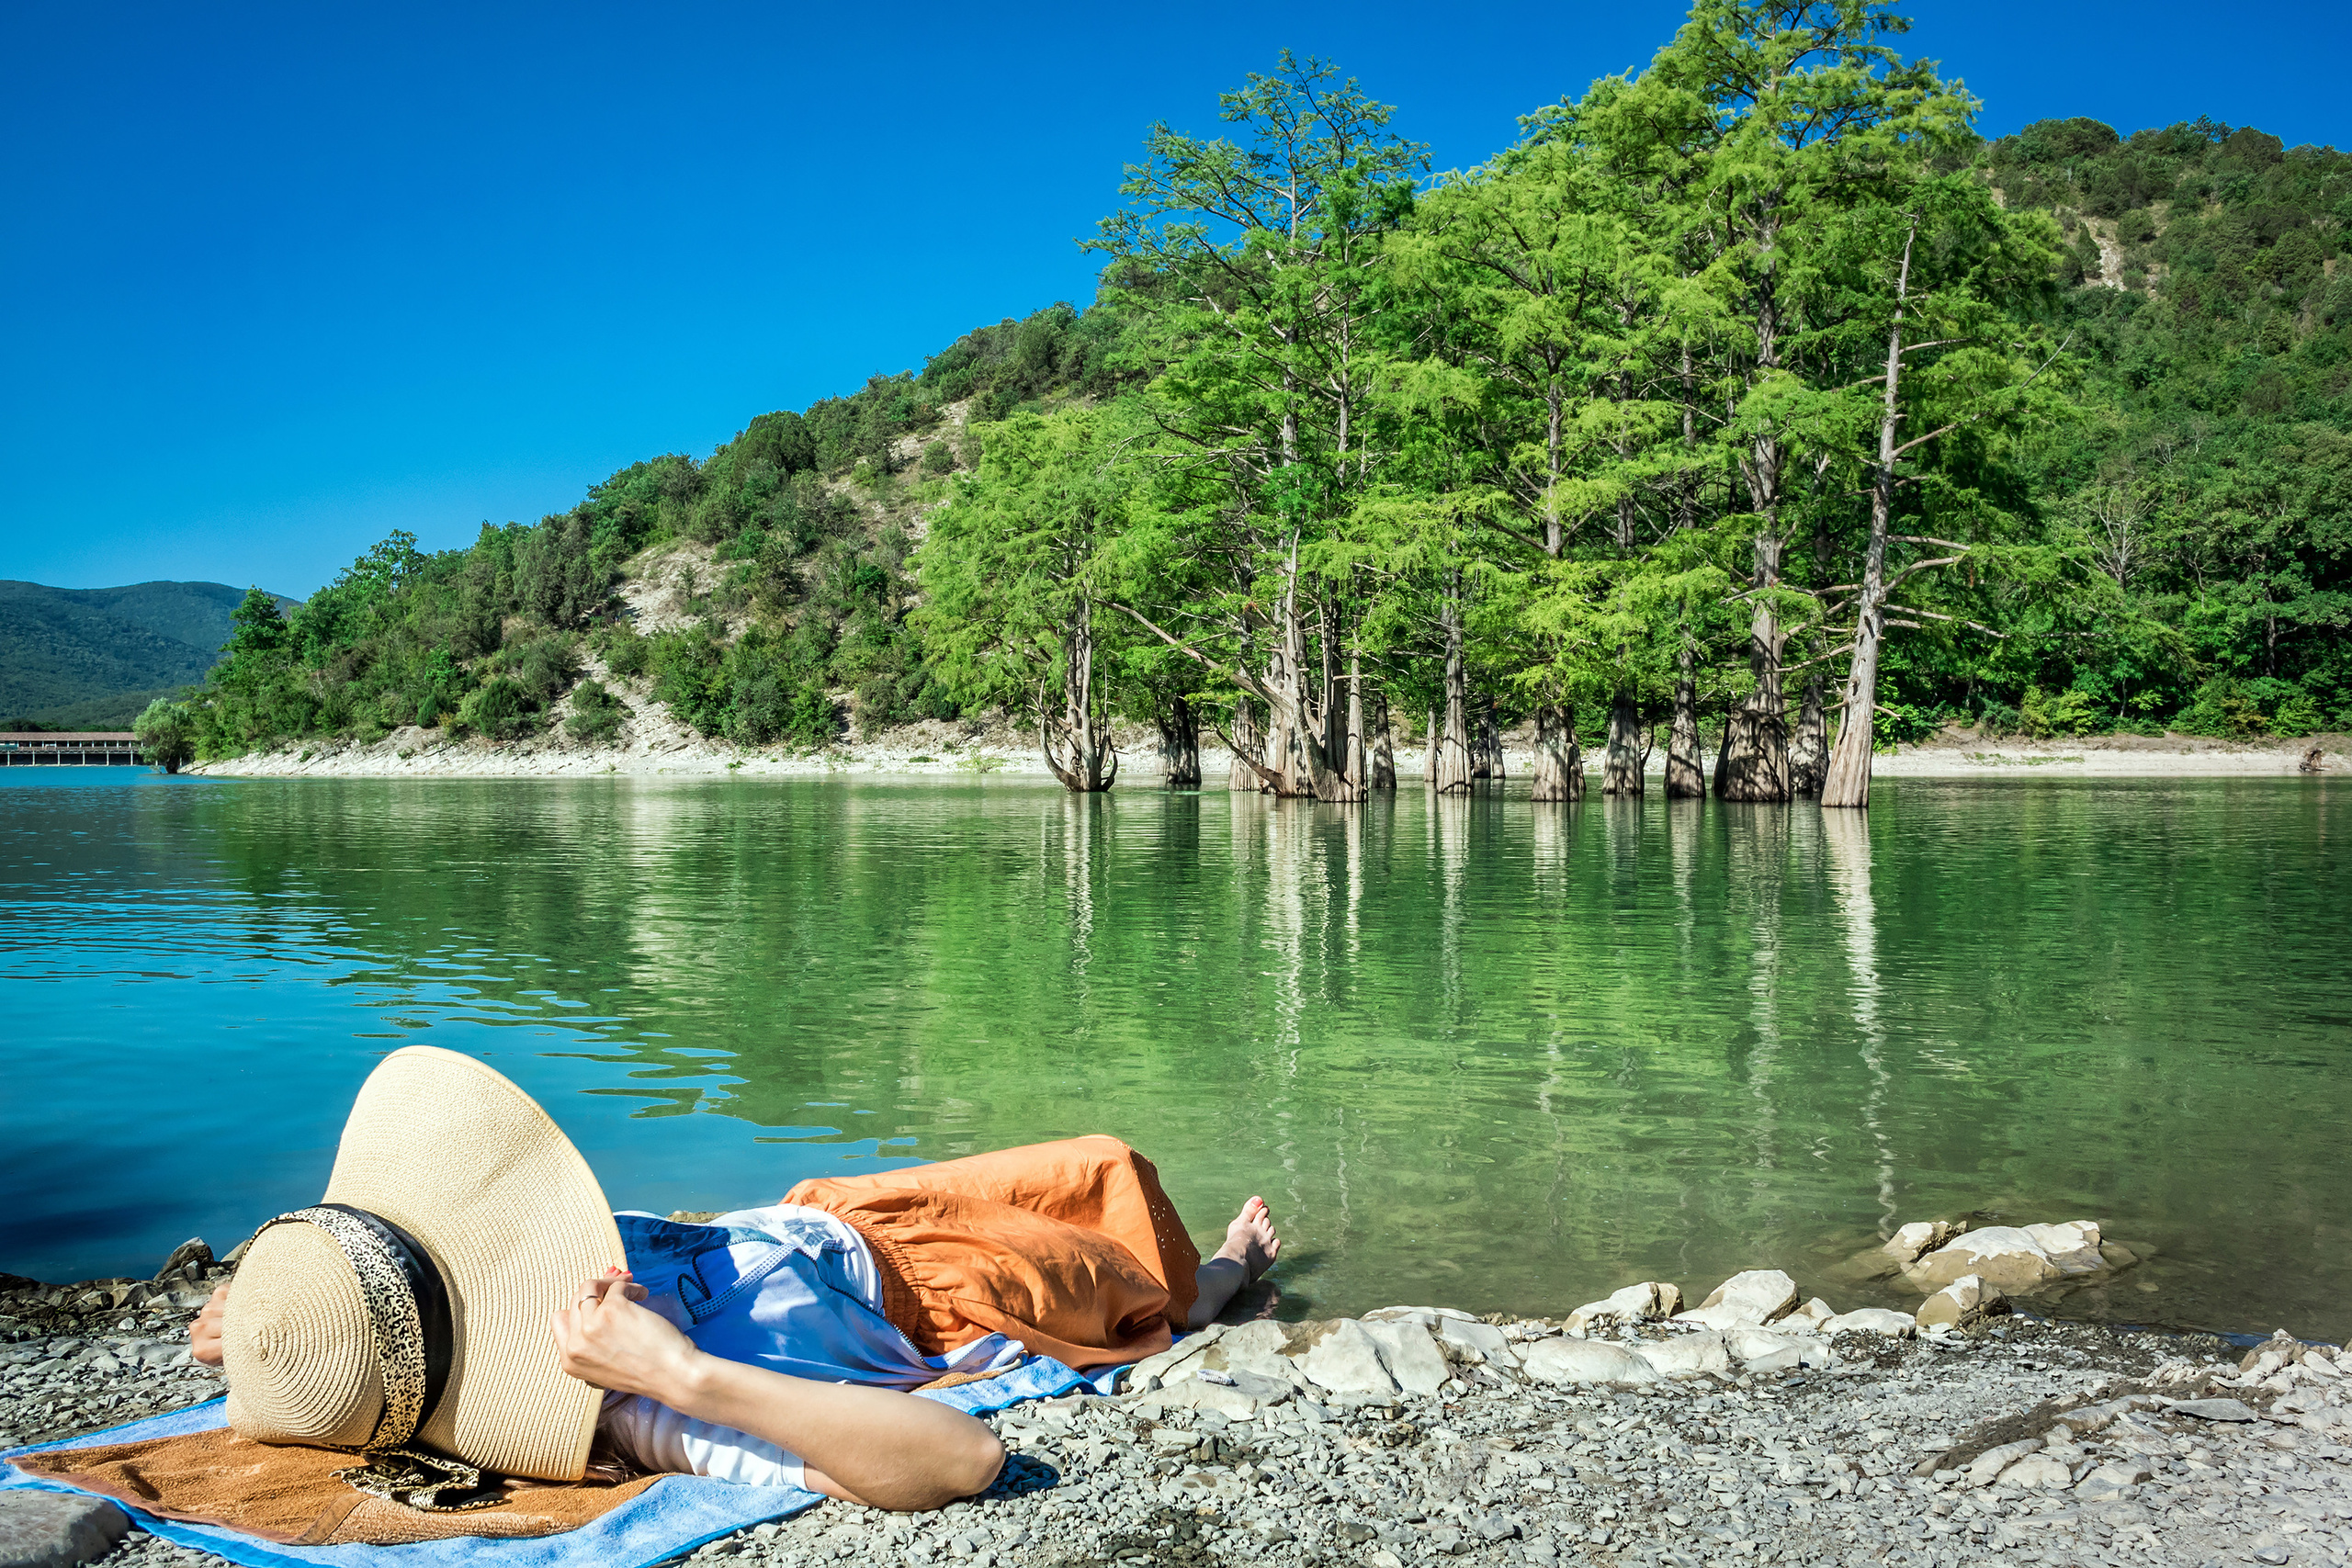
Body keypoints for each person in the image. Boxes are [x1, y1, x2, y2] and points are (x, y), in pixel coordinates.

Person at [187, 1046, 1279, 1516]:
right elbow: (964, 1459)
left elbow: (338, 1307)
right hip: (944, 1294)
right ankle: (1228, 1278)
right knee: (1148, 1292)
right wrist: (683, 1376)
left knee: (1099, 1164)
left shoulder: (462, 1257)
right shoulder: (624, 1404)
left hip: (842, 1210)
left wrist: (272, 1321)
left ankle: (1206, 1269)